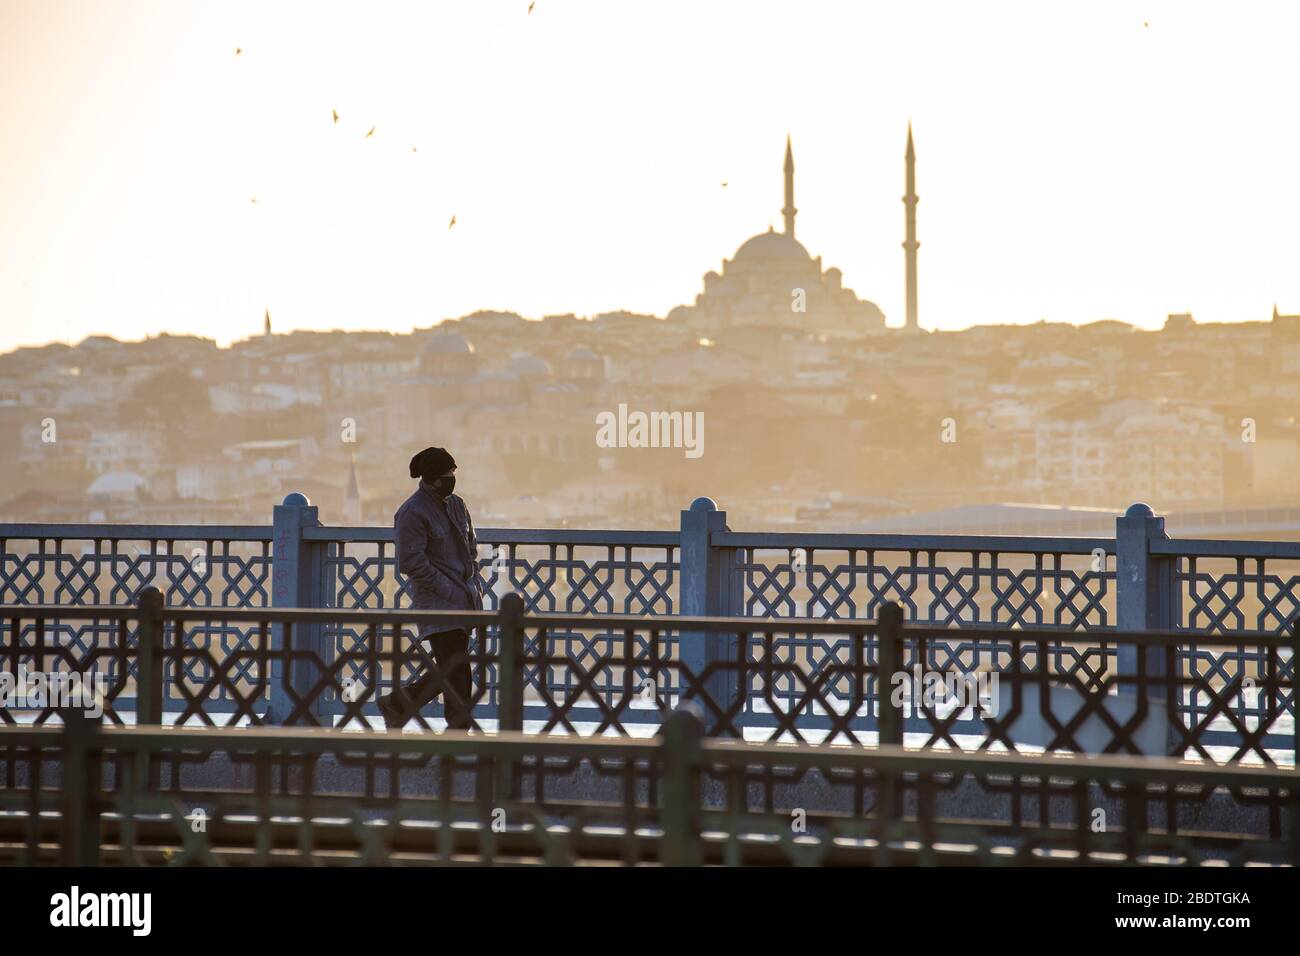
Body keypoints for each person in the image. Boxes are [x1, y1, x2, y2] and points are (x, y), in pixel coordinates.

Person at [377, 446, 484, 729]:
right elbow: (411, 562)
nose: (452, 477)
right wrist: (448, 589)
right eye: (448, 473)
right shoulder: (412, 512)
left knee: (452, 668)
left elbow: (470, 548)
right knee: (457, 669)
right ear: (434, 478)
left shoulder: (457, 505)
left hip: (463, 599)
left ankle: (398, 704)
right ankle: (457, 729)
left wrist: (472, 584)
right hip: (437, 603)